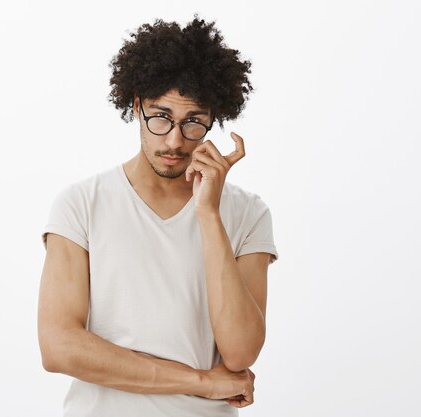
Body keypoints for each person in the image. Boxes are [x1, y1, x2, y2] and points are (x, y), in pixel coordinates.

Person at [38, 15, 278, 417]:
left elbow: (240, 352)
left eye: (193, 123)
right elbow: (59, 347)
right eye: (161, 116)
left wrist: (208, 214)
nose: (174, 140)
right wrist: (201, 381)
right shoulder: (81, 205)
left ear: (212, 120)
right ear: (136, 106)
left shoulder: (248, 213)